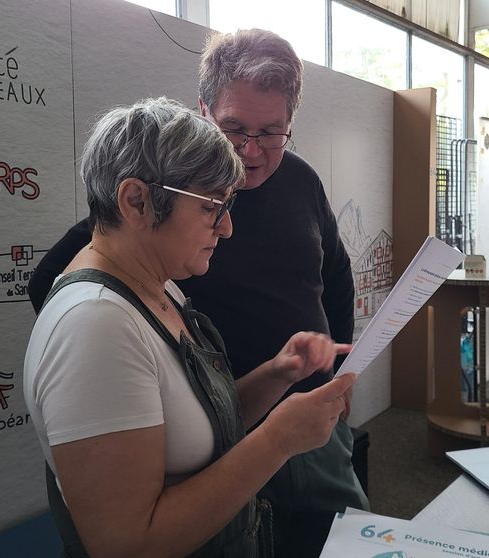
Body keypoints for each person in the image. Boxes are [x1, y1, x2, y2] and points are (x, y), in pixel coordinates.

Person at [28, 29, 369, 557]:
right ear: (138, 205)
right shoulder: (100, 314)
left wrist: (290, 371)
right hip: (243, 443)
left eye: (271, 134)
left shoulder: (164, 286)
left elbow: (338, 274)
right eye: (212, 207)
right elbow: (128, 540)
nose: (251, 152)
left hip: (276, 418)